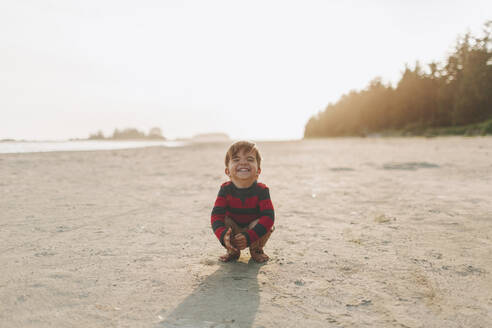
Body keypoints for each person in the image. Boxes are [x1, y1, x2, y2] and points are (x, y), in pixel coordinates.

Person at [211, 141, 275, 263]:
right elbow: (216, 216)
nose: (243, 162)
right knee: (223, 220)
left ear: (258, 171)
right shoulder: (225, 190)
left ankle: (256, 250)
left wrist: (249, 236)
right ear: (227, 172)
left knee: (266, 223)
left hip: (254, 232)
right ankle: (232, 250)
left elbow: (269, 217)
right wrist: (223, 236)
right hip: (233, 230)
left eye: (250, 159)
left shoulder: (262, 190)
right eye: (236, 159)